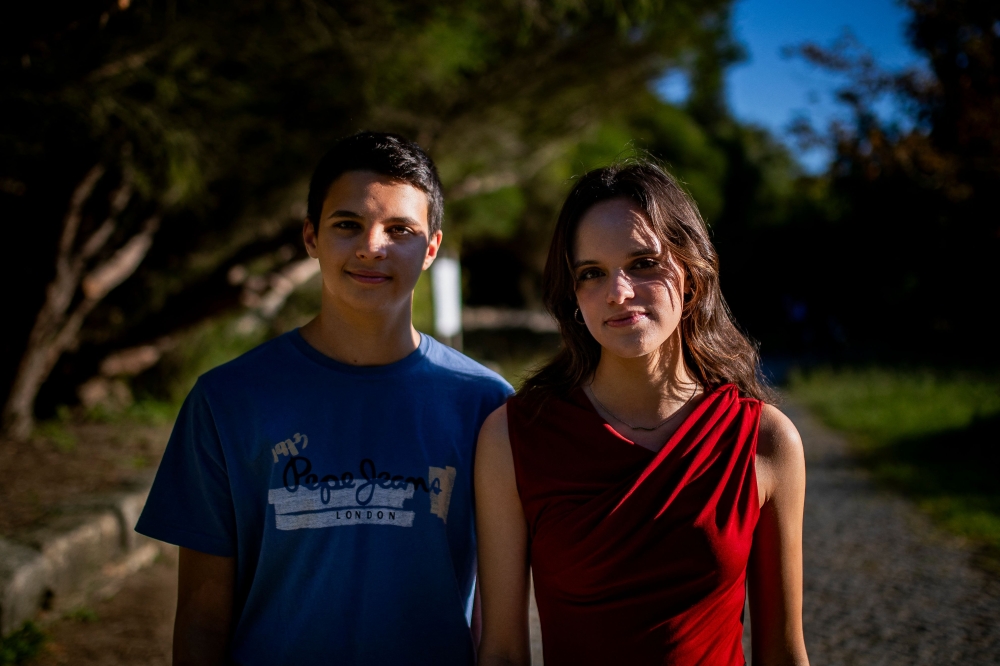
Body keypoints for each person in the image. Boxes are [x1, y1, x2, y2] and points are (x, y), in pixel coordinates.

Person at [136, 131, 513, 665]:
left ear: (430, 249)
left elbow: (499, 631)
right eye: (347, 225)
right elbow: (200, 617)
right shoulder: (228, 400)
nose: (371, 246)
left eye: (399, 229)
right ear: (311, 237)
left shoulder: (486, 405)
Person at [475, 160, 809, 665]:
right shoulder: (514, 436)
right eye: (592, 273)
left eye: (643, 263)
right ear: (573, 297)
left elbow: (783, 652)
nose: (619, 292)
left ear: (691, 273)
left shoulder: (764, 439)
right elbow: (501, 652)